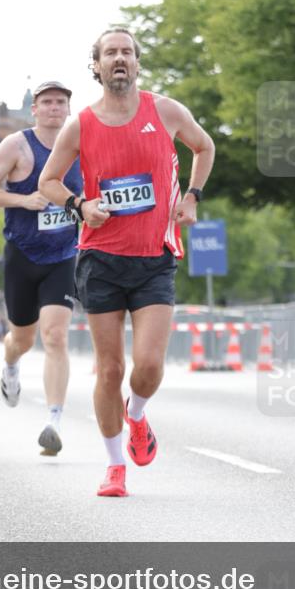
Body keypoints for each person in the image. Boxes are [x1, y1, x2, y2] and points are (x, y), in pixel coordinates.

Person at [39, 28, 215, 496]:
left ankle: (136, 414)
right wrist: (80, 206)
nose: (119, 58)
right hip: (100, 259)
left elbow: (205, 146)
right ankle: (115, 466)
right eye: (109, 53)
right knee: (110, 369)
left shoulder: (166, 111)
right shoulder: (80, 125)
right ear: (96, 66)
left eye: (126, 52)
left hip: (155, 256)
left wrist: (192, 197)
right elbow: (48, 181)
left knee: (149, 366)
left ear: (137, 63)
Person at [0, 81, 82, 456]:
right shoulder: (17, 145)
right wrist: (23, 201)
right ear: (34, 110)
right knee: (22, 339)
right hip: (22, 255)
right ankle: (10, 365)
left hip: (63, 255)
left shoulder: (83, 145)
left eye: (60, 102)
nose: (54, 107)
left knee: (55, 336)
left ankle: (54, 421)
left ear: (69, 109)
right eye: (47, 102)